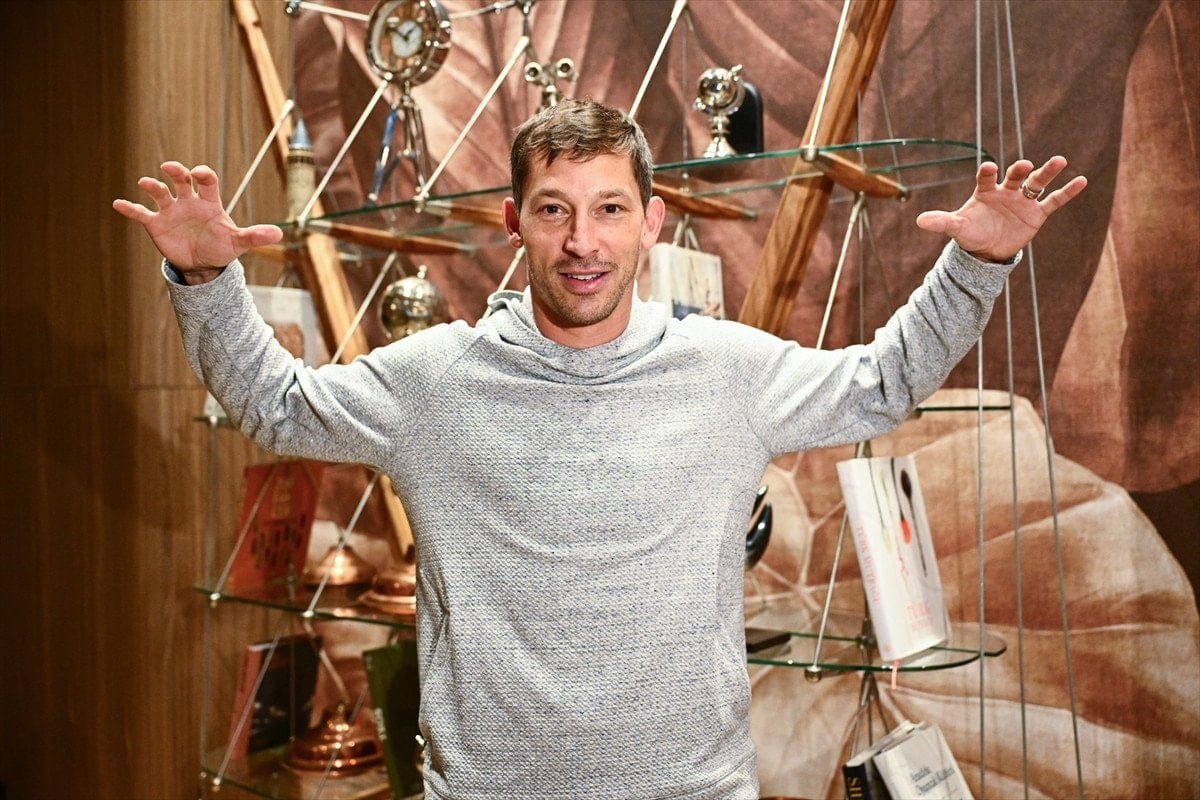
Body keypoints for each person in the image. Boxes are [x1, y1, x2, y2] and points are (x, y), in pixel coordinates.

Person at [114, 98, 1085, 799]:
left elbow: (881, 384)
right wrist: (205, 281)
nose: (583, 240)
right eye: (554, 209)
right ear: (514, 223)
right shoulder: (434, 381)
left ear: (651, 223)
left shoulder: (727, 370)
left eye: (610, 209)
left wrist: (978, 259)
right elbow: (278, 409)